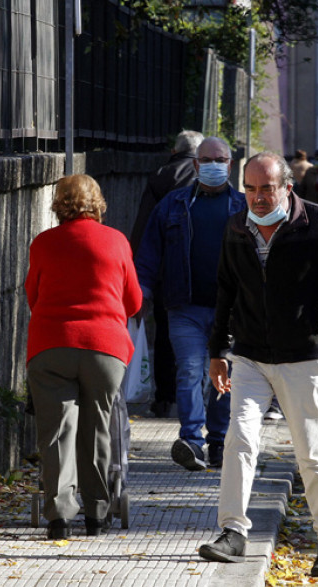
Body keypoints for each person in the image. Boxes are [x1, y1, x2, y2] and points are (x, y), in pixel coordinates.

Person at [199, 152, 318, 577]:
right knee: (239, 440)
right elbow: (225, 290)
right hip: (251, 356)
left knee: (311, 451)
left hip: (303, 359)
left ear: (286, 187)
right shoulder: (237, 228)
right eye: (250, 188)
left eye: (266, 188)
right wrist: (218, 351)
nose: (257, 197)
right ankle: (233, 533)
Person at [25, 174, 143, 539]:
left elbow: (33, 296)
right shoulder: (117, 241)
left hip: (51, 345)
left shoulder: (43, 243)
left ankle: (59, 517)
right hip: (105, 349)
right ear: (98, 203)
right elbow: (134, 301)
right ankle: (97, 513)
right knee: (98, 428)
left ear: (58, 204)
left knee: (57, 430)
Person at [135, 136, 247, 470]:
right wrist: (140, 291)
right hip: (184, 308)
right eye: (207, 159)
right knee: (188, 372)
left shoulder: (244, 207)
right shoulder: (172, 204)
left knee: (224, 377)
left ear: (230, 164)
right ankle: (192, 442)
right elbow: (148, 253)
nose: (214, 165)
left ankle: (218, 442)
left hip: (231, 313)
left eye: (220, 159)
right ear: (196, 165)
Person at [131, 131, 205, 418]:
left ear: (176, 150)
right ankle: (197, 398)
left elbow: (143, 227)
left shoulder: (161, 175)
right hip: (200, 270)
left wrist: (141, 278)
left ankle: (164, 398)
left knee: (164, 333)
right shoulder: (209, 176)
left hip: (164, 271)